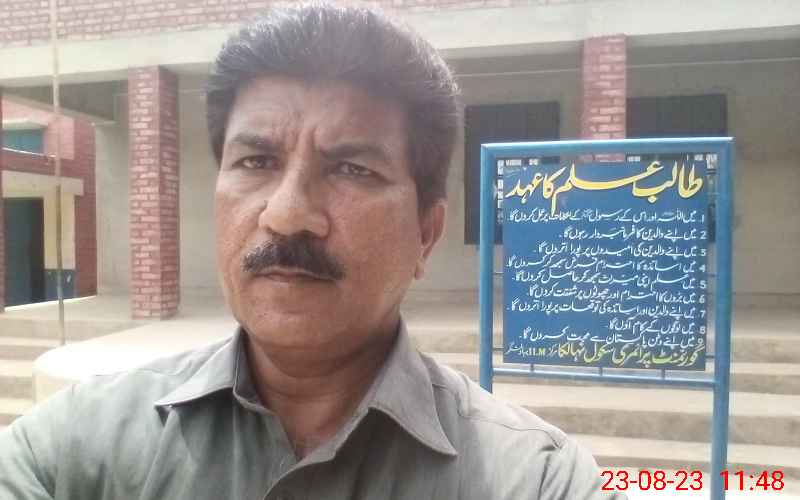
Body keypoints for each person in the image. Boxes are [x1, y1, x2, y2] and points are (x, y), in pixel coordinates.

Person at [0, 3, 623, 499]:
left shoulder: (536, 479)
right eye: (256, 161)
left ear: (425, 235)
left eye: (352, 168)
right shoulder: (73, 447)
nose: (286, 213)